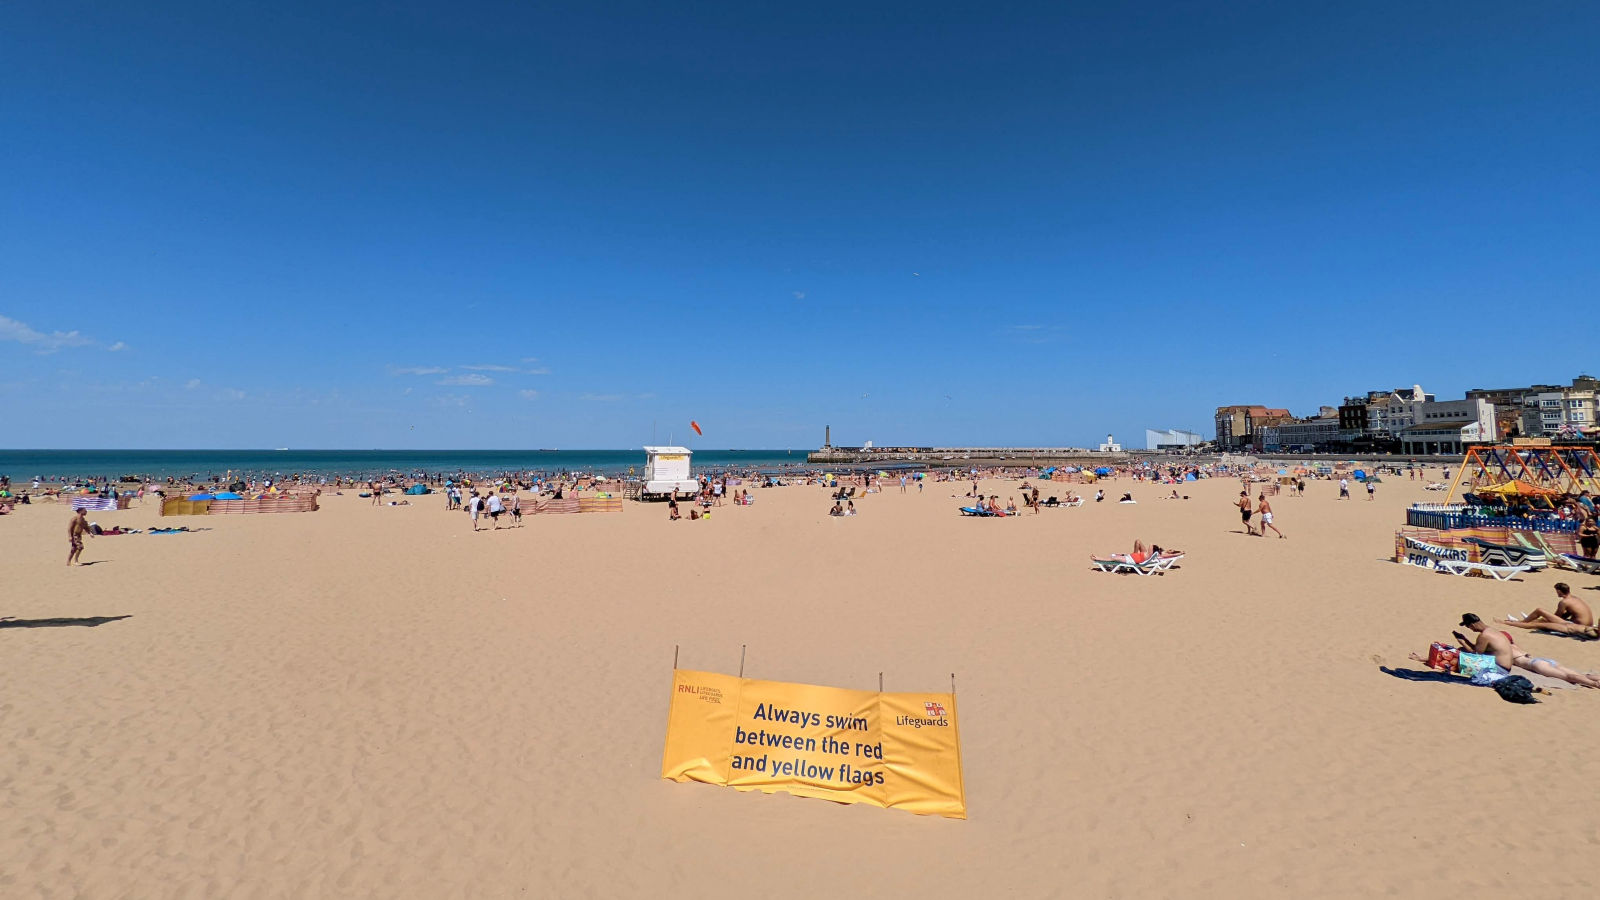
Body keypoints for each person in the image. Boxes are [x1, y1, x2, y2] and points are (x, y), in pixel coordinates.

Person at [1457, 613, 1600, 688]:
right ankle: (1594, 679)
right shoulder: (1501, 637)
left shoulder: (1487, 638)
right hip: (1540, 660)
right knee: (1577, 674)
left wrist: (1463, 641)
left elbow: (1477, 654)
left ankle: (1595, 684)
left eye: (1469, 627)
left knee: (1568, 677)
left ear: (1472, 625)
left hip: (1536, 665)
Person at [1499, 584, 1596, 638]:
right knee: (1543, 618)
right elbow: (1569, 613)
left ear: (1559, 591)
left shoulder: (1564, 602)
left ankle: (1522, 622)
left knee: (1539, 611)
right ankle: (1527, 620)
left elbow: (1557, 617)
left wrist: (1545, 618)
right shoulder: (1575, 599)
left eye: (1556, 591)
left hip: (1577, 626)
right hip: (1587, 625)